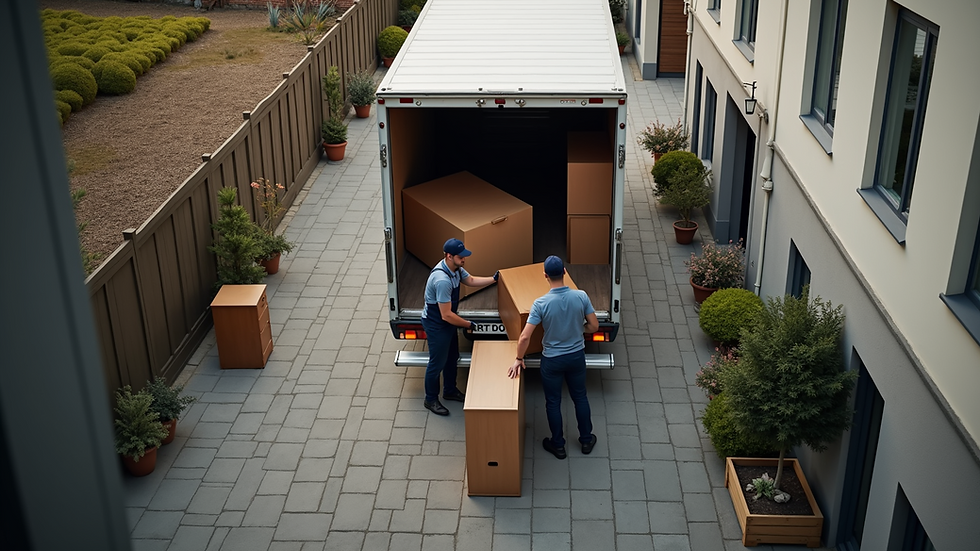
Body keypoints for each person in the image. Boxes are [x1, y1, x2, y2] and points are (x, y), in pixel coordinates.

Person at [507, 255, 599, 459]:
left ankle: (557, 445)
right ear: (565, 272)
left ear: (545, 276)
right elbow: (594, 326)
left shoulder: (540, 304)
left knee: (553, 402)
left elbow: (524, 337)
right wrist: (578, 328)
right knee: (580, 397)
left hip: (552, 361)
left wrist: (519, 359)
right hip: (576, 357)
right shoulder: (581, 296)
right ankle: (586, 440)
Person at [421, 238, 499, 416]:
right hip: (437, 324)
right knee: (437, 363)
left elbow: (470, 280)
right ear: (449, 256)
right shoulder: (442, 280)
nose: (464, 259)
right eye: (461, 257)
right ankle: (430, 399)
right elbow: (446, 314)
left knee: (452, 356)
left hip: (447, 322)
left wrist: (493, 280)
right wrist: (468, 324)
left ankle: (450, 390)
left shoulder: (456, 269)